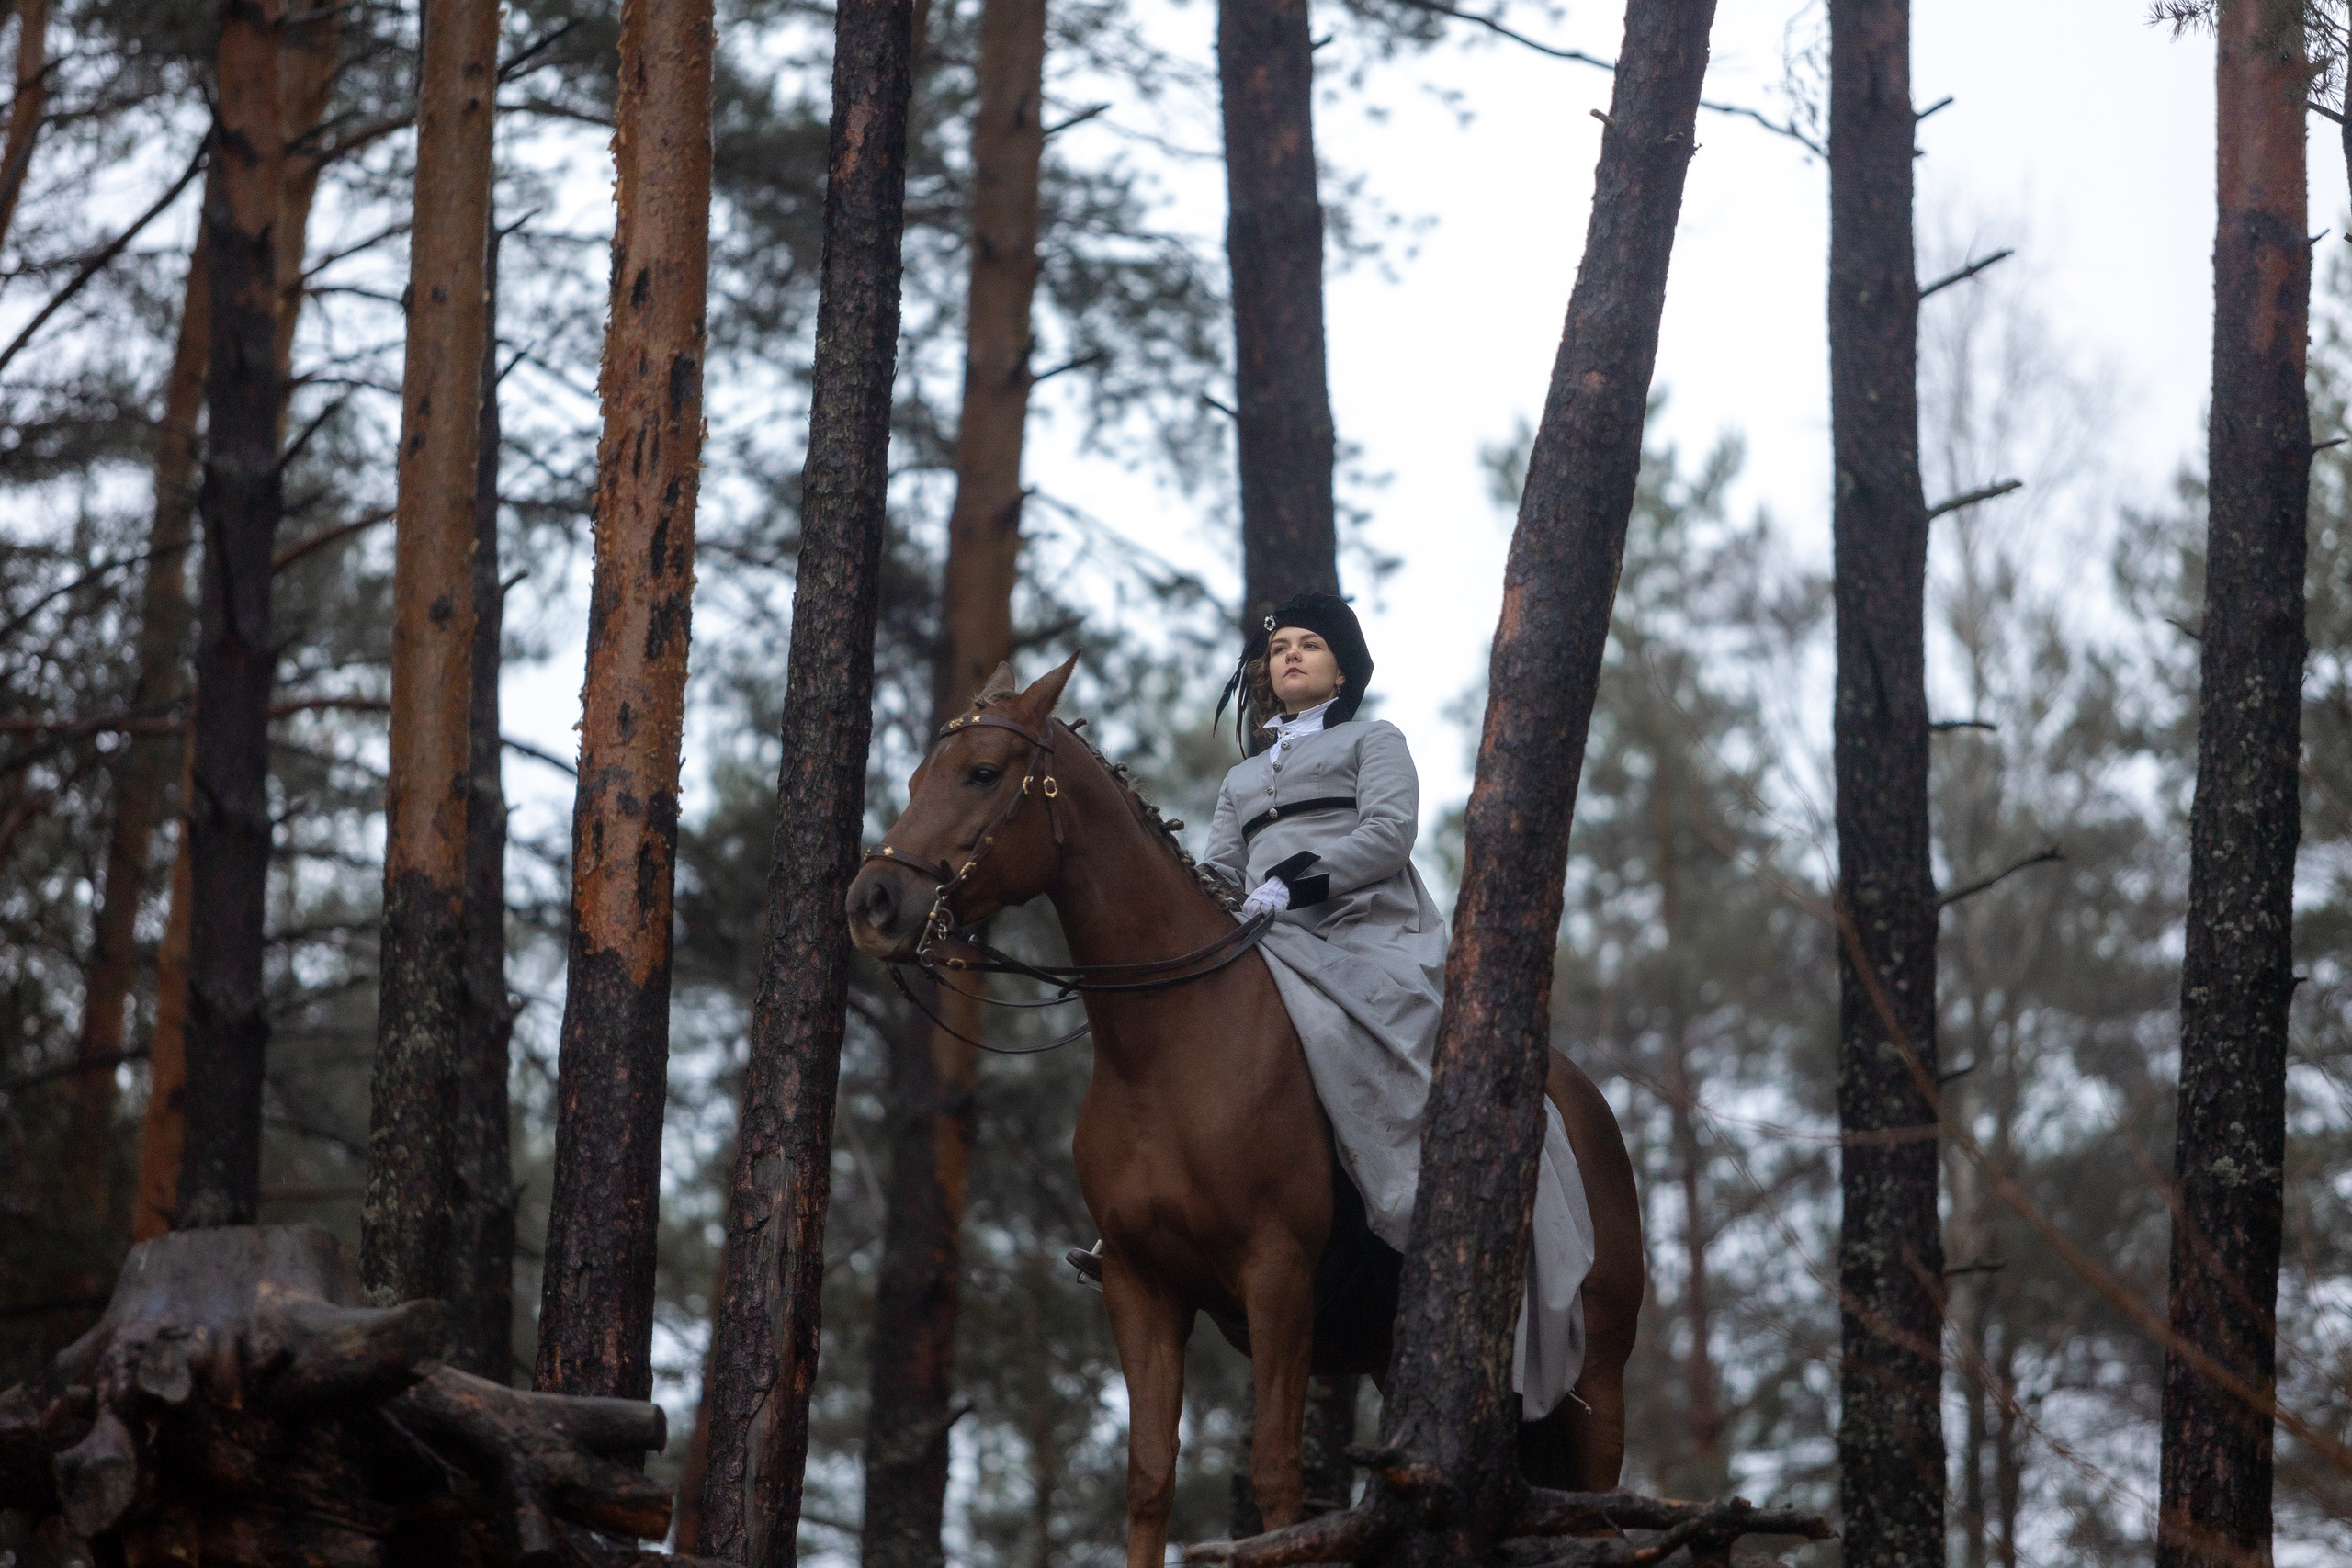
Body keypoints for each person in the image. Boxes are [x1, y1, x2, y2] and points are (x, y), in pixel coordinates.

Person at [1066, 591, 1597, 1419]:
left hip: (1368, 932)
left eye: (1311, 645)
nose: (1291, 656)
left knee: (1362, 1029)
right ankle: (1146, 1221)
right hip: (1266, 934)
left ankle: (1424, 1195)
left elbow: (1390, 833)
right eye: (1280, 649)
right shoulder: (1243, 777)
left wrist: (1297, 880)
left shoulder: (1373, 740)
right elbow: (1219, 875)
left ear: (1342, 668)